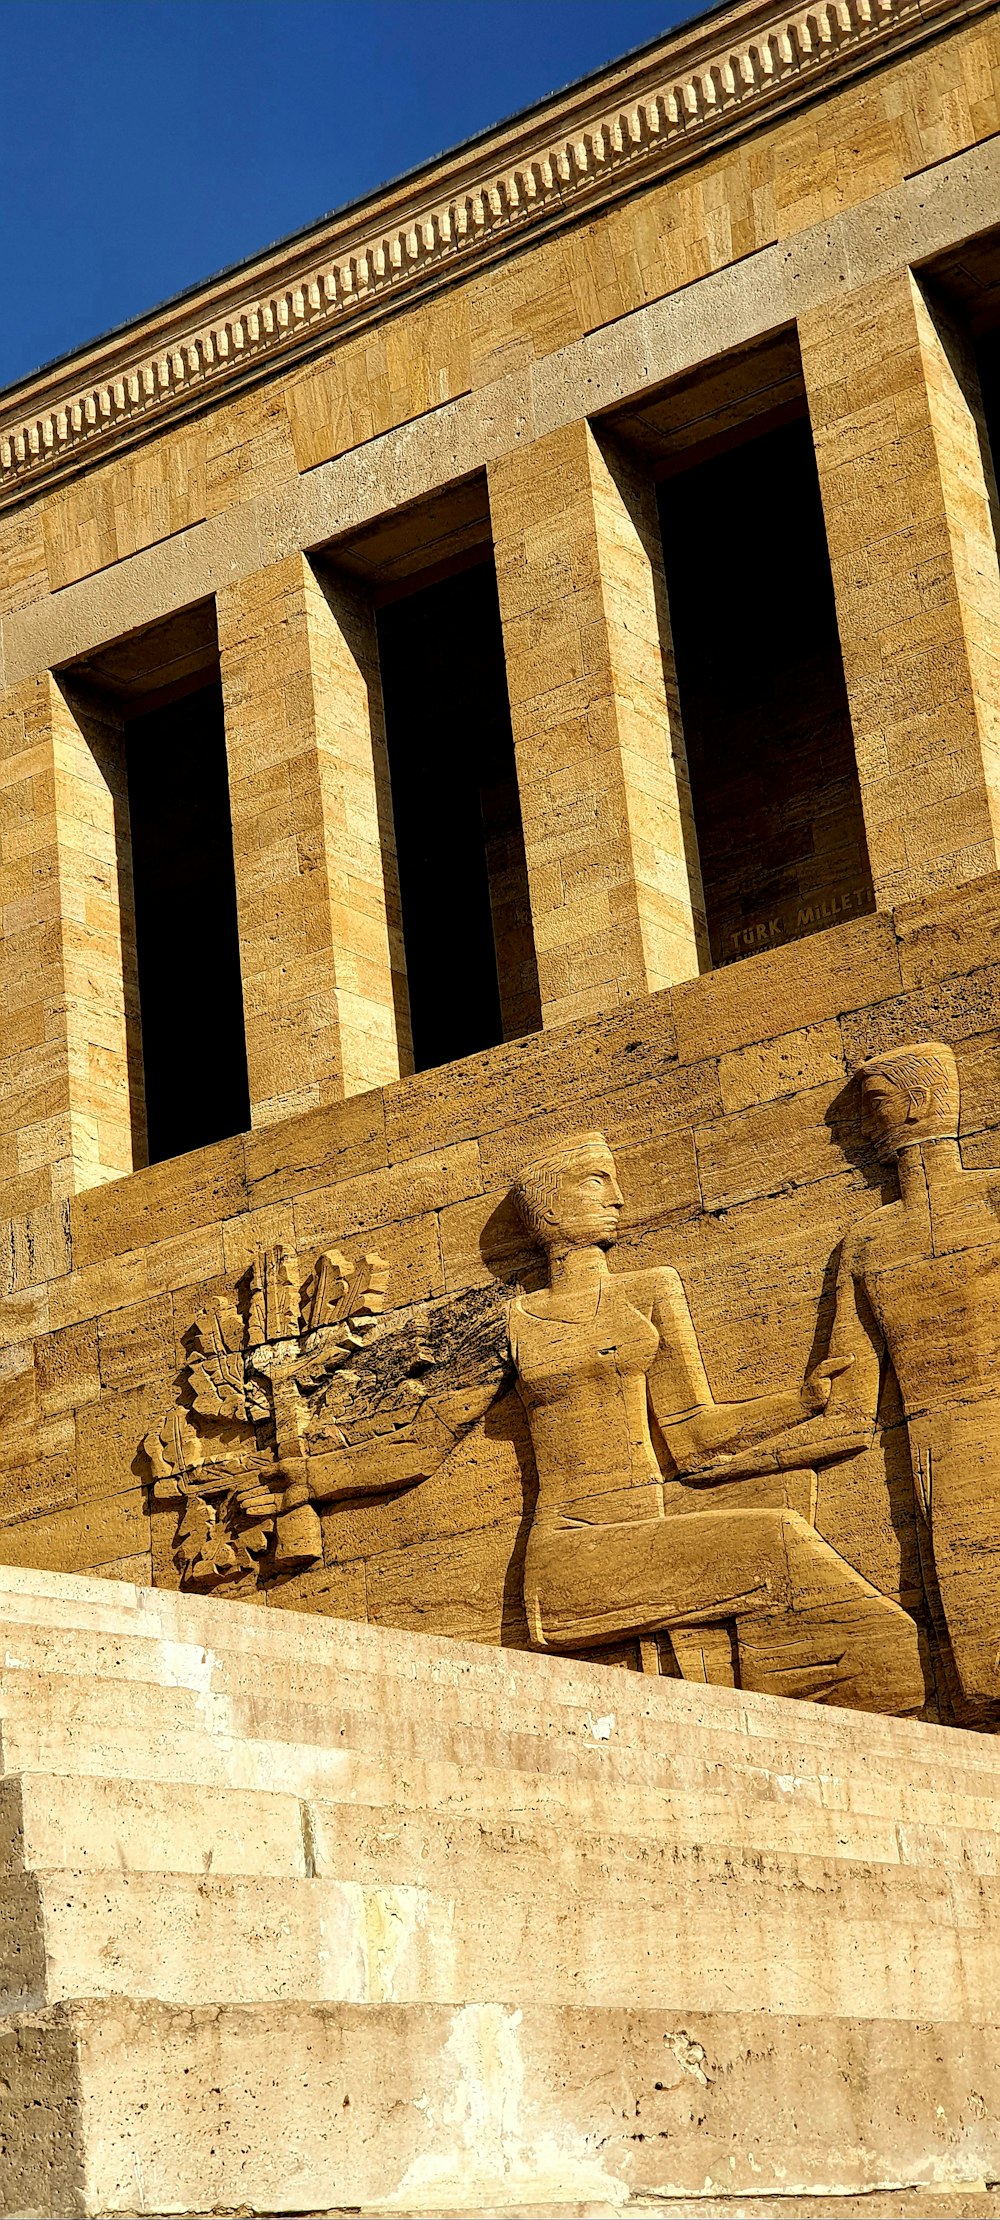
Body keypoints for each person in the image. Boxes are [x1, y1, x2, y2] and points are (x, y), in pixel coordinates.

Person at [508, 1130, 924, 1714]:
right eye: (596, 1181)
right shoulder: (511, 1321)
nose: (619, 1197)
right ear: (549, 1208)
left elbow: (695, 1439)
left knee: (844, 1600)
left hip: (647, 1533)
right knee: (782, 1545)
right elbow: (431, 1434)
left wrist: (800, 1402)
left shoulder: (650, 1291)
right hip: (569, 1554)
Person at [787, 1040, 1000, 1718]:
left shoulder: (993, 1195)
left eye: (876, 1104)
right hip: (932, 1447)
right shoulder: (868, 1241)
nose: (861, 1127)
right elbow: (846, 1405)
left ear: (925, 1099)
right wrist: (734, 1460)